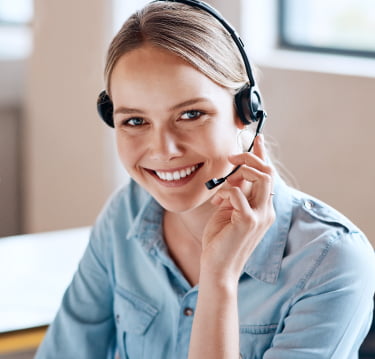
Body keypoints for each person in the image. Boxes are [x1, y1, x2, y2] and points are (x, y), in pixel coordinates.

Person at [35, 1, 375, 358]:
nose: (163, 150)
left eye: (191, 114)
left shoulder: (331, 262)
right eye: (135, 121)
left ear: (246, 112)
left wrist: (218, 280)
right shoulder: (126, 213)